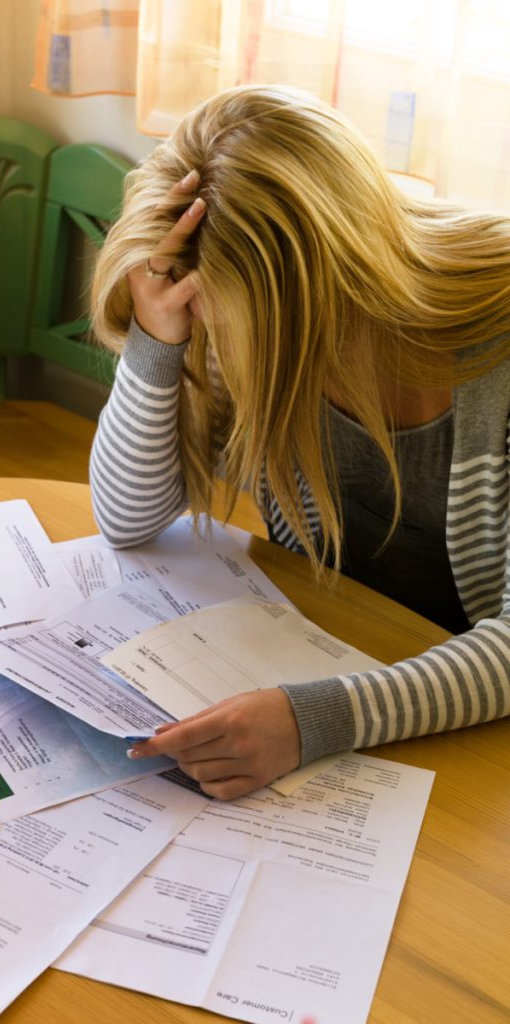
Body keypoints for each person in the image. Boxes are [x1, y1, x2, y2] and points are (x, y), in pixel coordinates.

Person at [88, 84, 510, 799]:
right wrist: (158, 343)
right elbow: (127, 518)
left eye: (222, 320)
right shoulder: (233, 312)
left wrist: (312, 718)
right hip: (364, 649)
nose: (215, 338)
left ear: (326, 284)